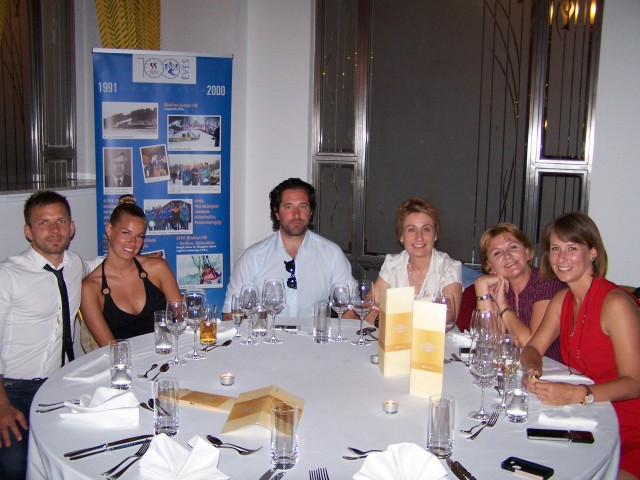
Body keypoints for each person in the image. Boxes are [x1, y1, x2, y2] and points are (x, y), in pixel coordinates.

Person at [521, 212, 640, 480]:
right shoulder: (562, 300)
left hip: (630, 430)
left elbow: (635, 383)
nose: (561, 258)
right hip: (584, 421)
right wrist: (532, 369)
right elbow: (532, 348)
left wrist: (578, 394)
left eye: (572, 248)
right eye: (555, 249)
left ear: (593, 252)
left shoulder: (616, 303)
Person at [0, 191, 98, 479]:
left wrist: (142, 256)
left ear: (72, 227)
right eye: (44, 222)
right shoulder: (8, 276)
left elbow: (99, 264)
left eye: (61, 221)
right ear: (28, 231)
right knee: (15, 463)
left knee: (88, 448)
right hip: (11, 390)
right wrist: (2, 405)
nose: (54, 230)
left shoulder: (74, 264)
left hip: (59, 383)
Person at [223, 178, 356, 319]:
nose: (296, 214)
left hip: (313, 333)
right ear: (277, 213)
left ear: (311, 212)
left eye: (303, 206)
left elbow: (351, 308)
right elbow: (231, 313)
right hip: (265, 333)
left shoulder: (331, 254)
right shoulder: (252, 257)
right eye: (288, 207)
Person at [80, 196, 181, 347]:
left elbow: (180, 319)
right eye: (126, 233)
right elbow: (109, 348)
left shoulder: (158, 268)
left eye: (139, 236)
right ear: (109, 229)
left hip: (168, 353)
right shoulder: (90, 288)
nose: (133, 242)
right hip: (124, 359)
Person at [457, 223, 565, 361]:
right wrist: (481, 287)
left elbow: (530, 344)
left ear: (527, 252)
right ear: (489, 265)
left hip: (550, 369)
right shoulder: (497, 287)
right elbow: (489, 343)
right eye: (497, 253)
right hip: (515, 368)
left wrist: (503, 304)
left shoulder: (547, 283)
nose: (507, 255)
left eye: (513, 247)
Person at [367, 197, 462, 324]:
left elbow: (447, 317)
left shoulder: (449, 268)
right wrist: (384, 323)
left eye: (426, 229)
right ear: (401, 236)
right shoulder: (392, 264)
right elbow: (369, 308)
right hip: (395, 335)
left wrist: (396, 318)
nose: (419, 237)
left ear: (435, 235)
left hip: (436, 337)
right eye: (411, 229)